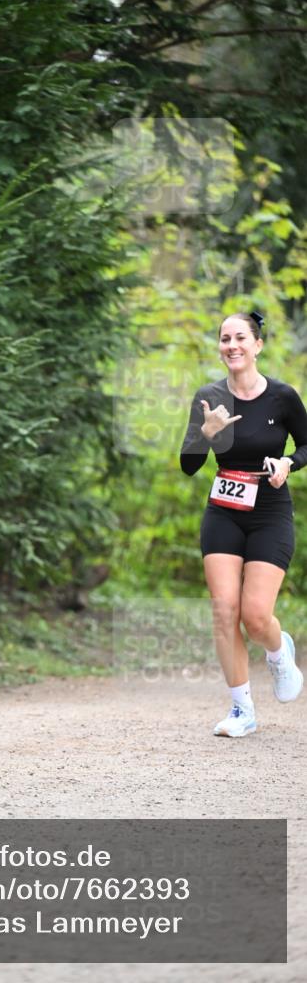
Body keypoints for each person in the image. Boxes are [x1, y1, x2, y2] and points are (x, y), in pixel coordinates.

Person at [180, 311, 307, 737]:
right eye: (224, 339)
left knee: (255, 616)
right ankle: (242, 710)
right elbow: (188, 465)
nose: (231, 345)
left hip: (270, 511)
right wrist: (207, 434)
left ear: (257, 345)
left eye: (239, 338)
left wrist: (289, 462)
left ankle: (277, 651)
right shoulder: (209, 397)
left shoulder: (283, 397)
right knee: (223, 611)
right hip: (223, 510)